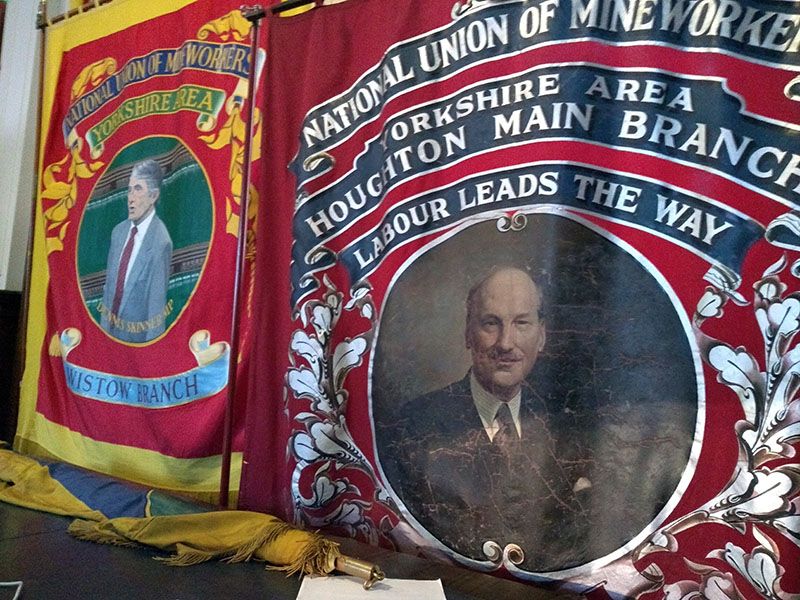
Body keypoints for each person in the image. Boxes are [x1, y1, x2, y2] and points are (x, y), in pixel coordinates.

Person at [381, 266, 600, 571]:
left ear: (541, 336)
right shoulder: (412, 426)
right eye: (490, 324)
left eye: (521, 323)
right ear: (468, 334)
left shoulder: (569, 426)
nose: (506, 343)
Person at [99, 159, 173, 343]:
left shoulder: (161, 242)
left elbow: (156, 312)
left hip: (135, 352)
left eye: (138, 189)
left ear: (154, 196)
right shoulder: (118, 232)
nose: (130, 198)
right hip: (107, 343)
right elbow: (108, 291)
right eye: (129, 189)